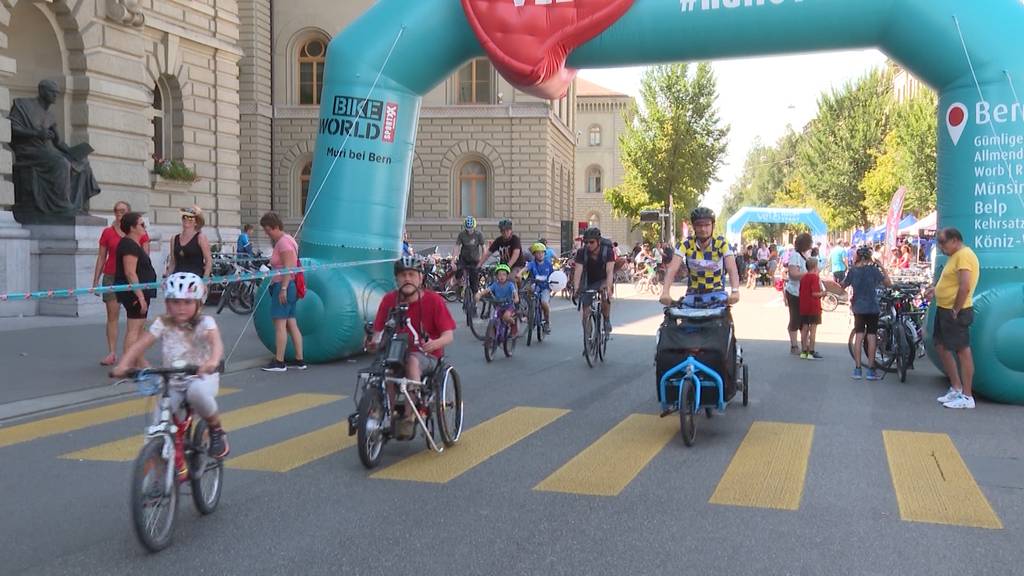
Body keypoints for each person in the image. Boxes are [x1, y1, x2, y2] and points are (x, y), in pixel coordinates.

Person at [111, 273, 230, 472]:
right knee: (156, 427)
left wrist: (211, 361)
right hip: (172, 381)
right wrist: (123, 365)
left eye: (187, 302)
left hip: (201, 376)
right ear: (167, 303)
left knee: (196, 392)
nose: (181, 307)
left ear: (198, 303)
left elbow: (216, 344)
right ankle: (153, 482)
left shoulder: (205, 323)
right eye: (175, 302)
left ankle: (216, 429)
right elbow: (140, 344)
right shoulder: (163, 323)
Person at [367, 255, 456, 436]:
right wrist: (372, 342)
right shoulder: (389, 300)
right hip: (394, 353)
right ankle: (385, 413)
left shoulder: (433, 301)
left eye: (411, 274)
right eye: (402, 275)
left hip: (426, 355)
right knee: (384, 372)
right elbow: (377, 332)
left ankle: (410, 415)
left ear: (420, 277)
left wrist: (434, 343)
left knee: (412, 361)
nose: (407, 279)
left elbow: (448, 336)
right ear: (396, 279)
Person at [9, 80, 101, 217]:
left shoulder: (50, 115)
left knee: (83, 164)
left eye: (57, 93)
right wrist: (36, 133)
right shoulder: (23, 105)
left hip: (47, 151)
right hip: (29, 151)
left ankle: (76, 205)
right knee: (61, 162)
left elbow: (58, 142)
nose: (55, 95)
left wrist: (74, 152)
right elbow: (11, 129)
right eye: (52, 92)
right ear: (42, 91)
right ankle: (61, 205)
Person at [92, 201, 150, 366]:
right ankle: (112, 352)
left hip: (132, 279)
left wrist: (142, 281)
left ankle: (136, 355)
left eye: (122, 211)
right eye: (116, 211)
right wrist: (96, 280)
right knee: (113, 316)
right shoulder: (108, 233)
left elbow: (144, 257)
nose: (119, 213)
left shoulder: (139, 232)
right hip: (112, 277)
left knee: (137, 320)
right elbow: (102, 257)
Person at [928, 228, 980, 409]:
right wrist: (935, 291)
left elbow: (964, 286)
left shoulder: (964, 255)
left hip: (956, 311)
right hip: (945, 309)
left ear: (955, 240)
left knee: (962, 350)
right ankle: (957, 387)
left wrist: (956, 309)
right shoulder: (955, 257)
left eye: (943, 242)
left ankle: (967, 396)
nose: (941, 247)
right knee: (941, 346)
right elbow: (951, 283)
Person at [659, 207, 741, 308]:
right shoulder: (685, 244)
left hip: (717, 295)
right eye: (699, 225)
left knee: (724, 321)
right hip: (693, 295)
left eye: (707, 225)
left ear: (713, 226)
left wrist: (735, 291)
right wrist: (665, 292)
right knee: (675, 320)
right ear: (693, 226)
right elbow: (672, 268)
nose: (703, 229)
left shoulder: (722, 244)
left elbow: (732, 268)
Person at [259, 212, 306, 372]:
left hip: (283, 285)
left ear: (275, 227)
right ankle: (300, 359)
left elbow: (288, 268)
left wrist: (283, 289)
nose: (267, 233)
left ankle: (279, 361)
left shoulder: (283, 243)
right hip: (290, 285)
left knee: (280, 325)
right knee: (291, 323)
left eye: (268, 230)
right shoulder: (289, 240)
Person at [115, 212, 157, 369]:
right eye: (141, 224)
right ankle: (127, 365)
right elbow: (130, 272)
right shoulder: (129, 244)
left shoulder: (134, 244)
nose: (144, 228)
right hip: (134, 293)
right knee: (134, 329)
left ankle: (139, 361)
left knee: (139, 328)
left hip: (141, 291)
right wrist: (139, 296)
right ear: (132, 228)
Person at [843, 246, 892, 380]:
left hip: (858, 307)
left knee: (859, 337)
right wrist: (882, 266)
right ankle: (871, 369)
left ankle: (858, 369)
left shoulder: (853, 271)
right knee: (872, 337)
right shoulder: (874, 270)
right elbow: (888, 283)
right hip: (872, 307)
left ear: (858, 256)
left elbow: (843, 285)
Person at [572, 227, 616, 336]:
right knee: (585, 314)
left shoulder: (607, 251)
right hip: (588, 279)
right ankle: (588, 339)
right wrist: (576, 288)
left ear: (598, 241)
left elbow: (610, 271)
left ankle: (606, 319)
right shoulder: (582, 252)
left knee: (604, 294)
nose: (588, 245)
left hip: (603, 278)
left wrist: (609, 289)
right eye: (585, 242)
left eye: (591, 242)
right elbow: (578, 271)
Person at [784, 233, 813, 356]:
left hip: (805, 293)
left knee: (805, 320)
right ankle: (794, 345)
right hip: (794, 292)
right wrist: (808, 274)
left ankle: (805, 345)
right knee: (795, 319)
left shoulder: (806, 256)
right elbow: (793, 274)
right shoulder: (795, 256)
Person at [166, 205, 212, 279]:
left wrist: (205, 281)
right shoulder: (174, 239)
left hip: (195, 281)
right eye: (184, 217)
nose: (187, 219)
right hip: (177, 280)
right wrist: (167, 278)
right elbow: (173, 262)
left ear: (196, 222)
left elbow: (208, 261)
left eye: (190, 218)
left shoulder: (201, 238)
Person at [477, 263, 519, 337]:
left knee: (506, 317)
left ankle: (513, 324)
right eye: (499, 275)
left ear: (507, 276)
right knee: (493, 319)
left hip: (508, 306)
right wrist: (480, 294)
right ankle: (490, 339)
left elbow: (514, 292)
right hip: (498, 306)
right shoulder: (495, 284)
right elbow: (487, 290)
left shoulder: (510, 285)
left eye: (504, 275)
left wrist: (516, 298)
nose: (501, 277)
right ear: (496, 276)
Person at [798, 257, 825, 360]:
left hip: (804, 306)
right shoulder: (815, 278)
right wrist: (823, 293)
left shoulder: (803, 278)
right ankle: (811, 351)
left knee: (804, 328)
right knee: (813, 330)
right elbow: (814, 293)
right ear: (814, 267)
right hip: (813, 307)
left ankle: (803, 350)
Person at [524, 243, 554, 333]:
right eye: (538, 253)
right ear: (534, 254)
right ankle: (530, 313)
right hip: (535, 286)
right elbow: (525, 268)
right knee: (528, 292)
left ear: (544, 254)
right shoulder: (532, 264)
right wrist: (519, 274)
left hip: (545, 287)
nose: (540, 254)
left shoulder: (548, 264)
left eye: (542, 253)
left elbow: (553, 275)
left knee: (544, 303)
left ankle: (547, 322)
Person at [454, 216, 485, 296]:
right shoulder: (462, 234)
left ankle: (475, 296)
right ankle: (459, 286)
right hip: (464, 258)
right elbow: (457, 246)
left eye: (471, 229)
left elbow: (483, 247)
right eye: (468, 229)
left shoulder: (478, 234)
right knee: (458, 270)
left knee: (474, 278)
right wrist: (453, 259)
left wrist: (482, 260)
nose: (469, 231)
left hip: (474, 259)